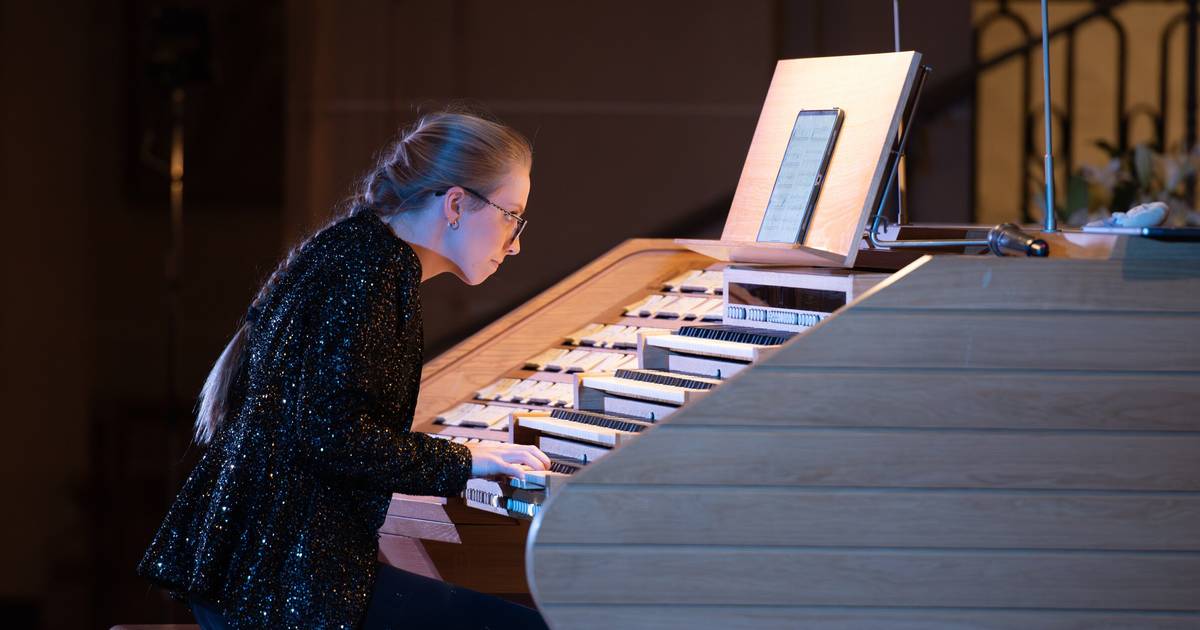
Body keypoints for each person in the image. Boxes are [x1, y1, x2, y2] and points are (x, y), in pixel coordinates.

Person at [138, 110, 553, 629]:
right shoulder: (374, 273)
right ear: (455, 203)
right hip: (279, 585)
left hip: (263, 569)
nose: (515, 243)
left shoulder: (358, 251)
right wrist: (467, 461)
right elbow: (333, 438)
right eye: (512, 215)